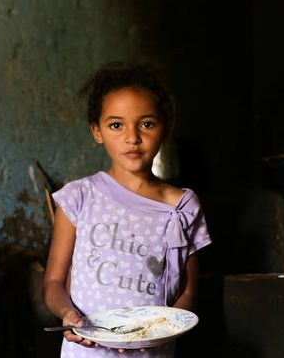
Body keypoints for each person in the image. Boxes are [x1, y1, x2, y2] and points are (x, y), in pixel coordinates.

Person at [43, 62, 212, 357]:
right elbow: (54, 283)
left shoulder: (183, 206)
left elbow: (187, 292)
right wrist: (67, 314)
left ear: (166, 128)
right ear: (97, 131)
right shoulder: (79, 197)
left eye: (146, 124)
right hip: (87, 352)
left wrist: (163, 331)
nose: (132, 137)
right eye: (116, 125)